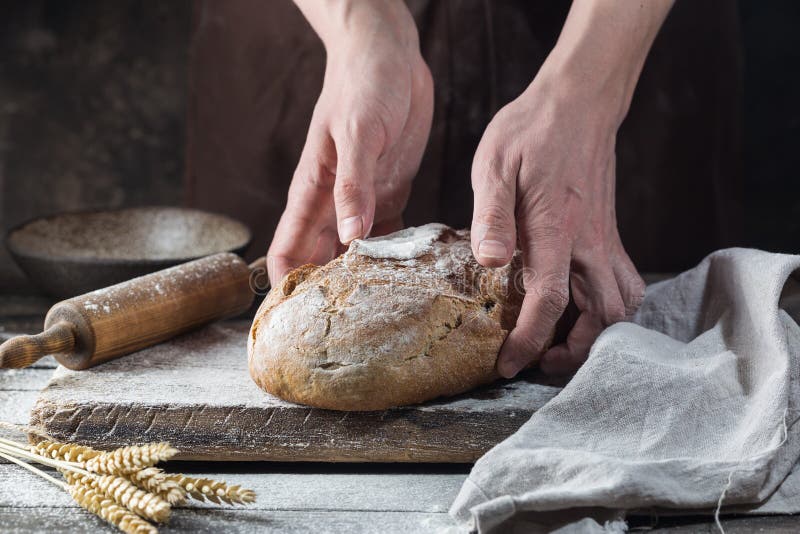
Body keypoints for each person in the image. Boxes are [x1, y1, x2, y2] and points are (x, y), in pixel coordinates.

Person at [186, 0, 743, 379]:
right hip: (319, 45)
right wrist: (362, 28)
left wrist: (589, 89)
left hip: (613, 34)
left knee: (611, 322)